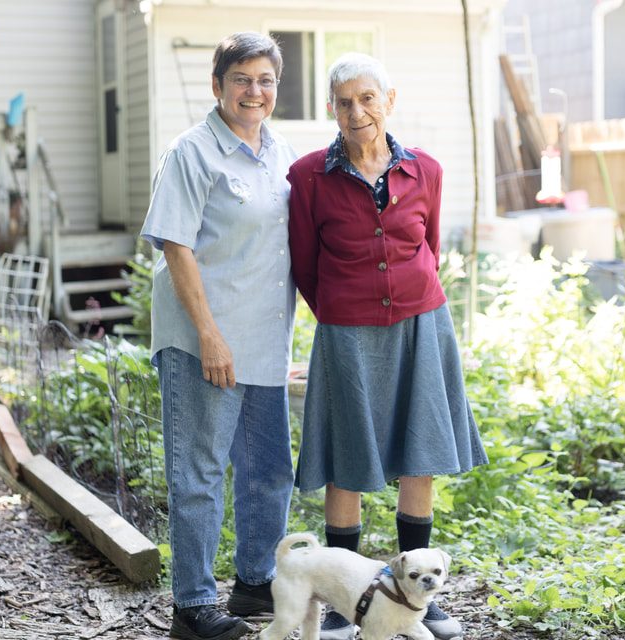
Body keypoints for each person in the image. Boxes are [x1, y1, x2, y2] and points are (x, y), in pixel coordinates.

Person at [287, 52, 488, 640]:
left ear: (388, 102)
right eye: (345, 102)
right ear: (332, 109)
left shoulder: (425, 168)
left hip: (422, 325)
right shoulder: (308, 177)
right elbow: (304, 264)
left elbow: (426, 243)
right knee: (345, 462)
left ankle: (415, 600)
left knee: (419, 453)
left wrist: (405, 301)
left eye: (367, 99)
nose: (357, 111)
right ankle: (342, 602)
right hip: (345, 332)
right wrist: (344, 315)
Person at [140, 32, 297, 640]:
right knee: (200, 475)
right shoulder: (193, 152)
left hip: (264, 341)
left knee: (267, 471)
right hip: (203, 341)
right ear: (218, 86)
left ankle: (255, 583)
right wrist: (209, 334)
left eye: (265, 81)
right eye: (241, 79)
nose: (254, 92)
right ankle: (194, 607)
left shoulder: (279, 150)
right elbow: (175, 246)